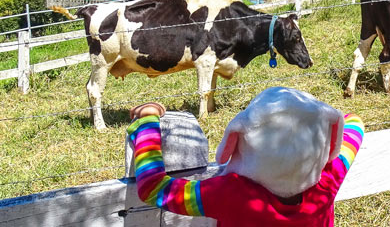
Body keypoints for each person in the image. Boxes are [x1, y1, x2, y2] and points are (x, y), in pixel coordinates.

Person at [127, 86, 364, 227]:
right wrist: (317, 121)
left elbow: (154, 188)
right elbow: (355, 124)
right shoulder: (328, 180)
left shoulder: (232, 194)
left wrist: (148, 119)